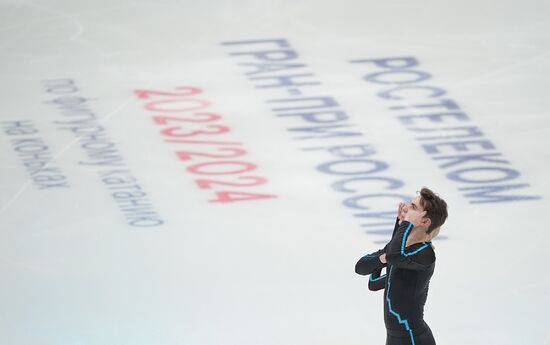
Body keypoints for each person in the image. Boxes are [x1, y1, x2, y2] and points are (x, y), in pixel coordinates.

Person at [355, 187, 448, 345]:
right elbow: (366, 273)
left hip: (414, 339)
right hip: (394, 340)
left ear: (425, 221)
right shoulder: (399, 253)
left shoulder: (424, 254)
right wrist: (386, 254)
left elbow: (395, 256)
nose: (405, 208)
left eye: (412, 207)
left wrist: (403, 225)